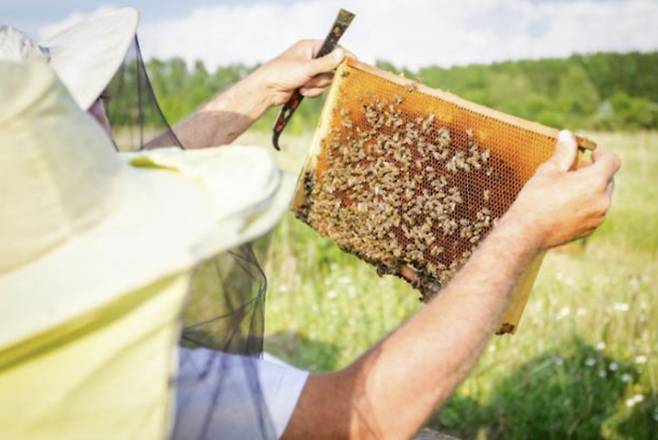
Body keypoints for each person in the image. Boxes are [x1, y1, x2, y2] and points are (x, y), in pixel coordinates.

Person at [0, 7, 620, 440]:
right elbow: (356, 422)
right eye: (85, 110)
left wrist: (260, 88)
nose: (105, 117)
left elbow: (84, 186)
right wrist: (518, 233)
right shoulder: (112, 381)